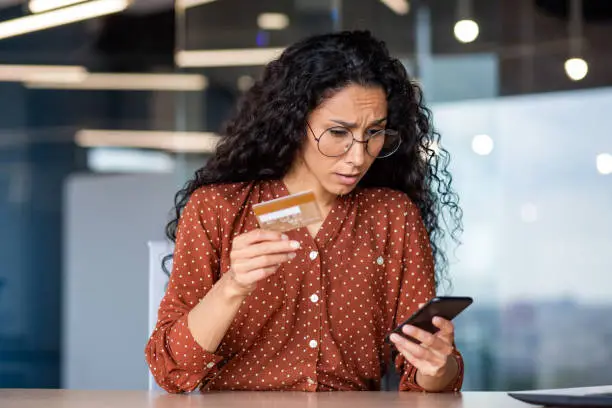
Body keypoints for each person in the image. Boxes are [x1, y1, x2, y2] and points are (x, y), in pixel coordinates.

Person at [145, 30, 464, 394]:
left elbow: (427, 379)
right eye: (338, 132)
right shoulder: (218, 209)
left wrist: (438, 366)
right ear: (294, 122)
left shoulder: (392, 216)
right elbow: (169, 369)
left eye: (374, 133)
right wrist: (232, 286)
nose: (358, 156)